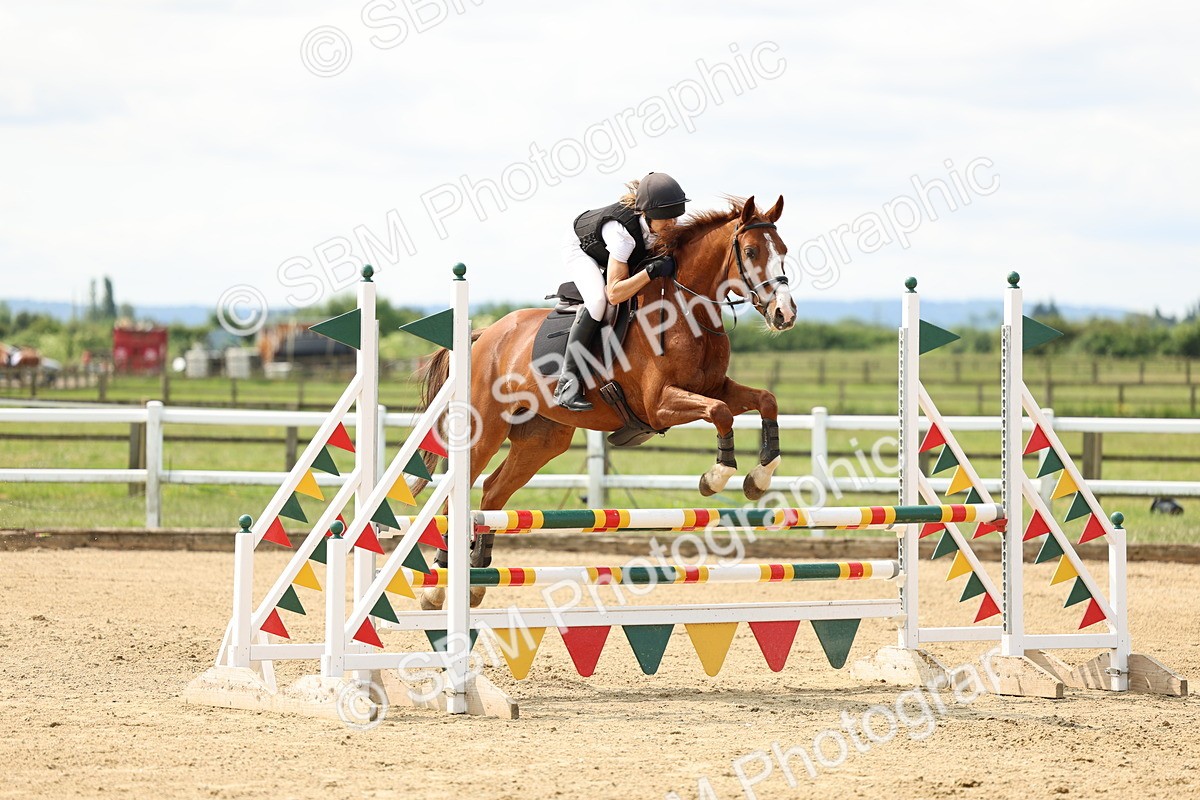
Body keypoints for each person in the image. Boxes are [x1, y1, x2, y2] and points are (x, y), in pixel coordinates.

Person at [555, 172, 688, 411]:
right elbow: (615, 293)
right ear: (648, 215)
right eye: (666, 219)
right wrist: (650, 272)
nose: (672, 224)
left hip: (617, 252)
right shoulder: (622, 235)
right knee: (597, 301)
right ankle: (567, 383)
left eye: (676, 217)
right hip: (581, 249)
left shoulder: (660, 225)